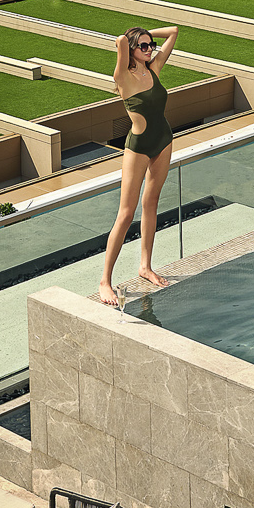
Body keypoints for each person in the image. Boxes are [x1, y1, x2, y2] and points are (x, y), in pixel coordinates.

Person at [97, 23, 181, 306]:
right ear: (131, 49)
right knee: (125, 213)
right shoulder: (123, 76)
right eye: (142, 46)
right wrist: (131, 39)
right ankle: (104, 281)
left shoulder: (153, 69)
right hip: (139, 148)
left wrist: (146, 38)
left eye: (150, 46)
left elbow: (174, 31)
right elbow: (120, 38)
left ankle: (145, 266)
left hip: (164, 140)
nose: (149, 50)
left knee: (151, 203)